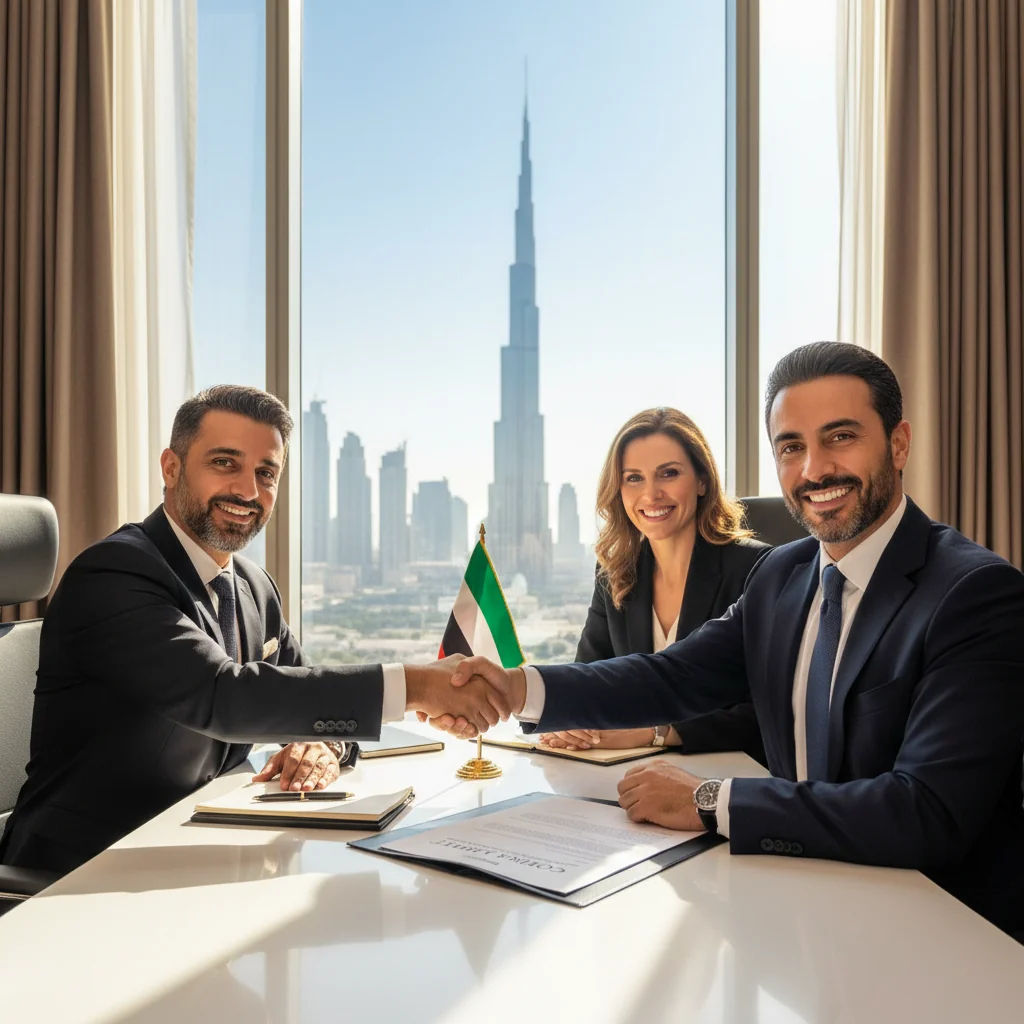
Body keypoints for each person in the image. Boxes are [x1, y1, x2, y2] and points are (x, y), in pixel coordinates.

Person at [444, 343, 1024, 940]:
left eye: (841, 437)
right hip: (798, 895)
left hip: (937, 926)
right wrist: (514, 689)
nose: (815, 470)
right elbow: (671, 676)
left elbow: (926, 813)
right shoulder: (781, 576)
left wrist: (710, 800)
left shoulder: (976, 594)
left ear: (898, 443)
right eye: (791, 447)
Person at [0, 386, 503, 877]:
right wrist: (420, 685)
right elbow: (225, 697)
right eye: (225, 463)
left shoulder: (253, 586)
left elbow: (311, 699)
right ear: (170, 468)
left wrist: (320, 745)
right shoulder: (114, 573)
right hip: (86, 869)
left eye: (266, 473)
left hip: (201, 846)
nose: (247, 490)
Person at [537, 407, 768, 763]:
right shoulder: (615, 572)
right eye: (634, 478)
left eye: (669, 474)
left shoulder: (758, 569)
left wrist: (656, 733)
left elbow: (771, 710)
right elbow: (589, 678)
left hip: (728, 775)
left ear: (702, 480)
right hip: (626, 772)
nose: (651, 494)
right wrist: (568, 719)